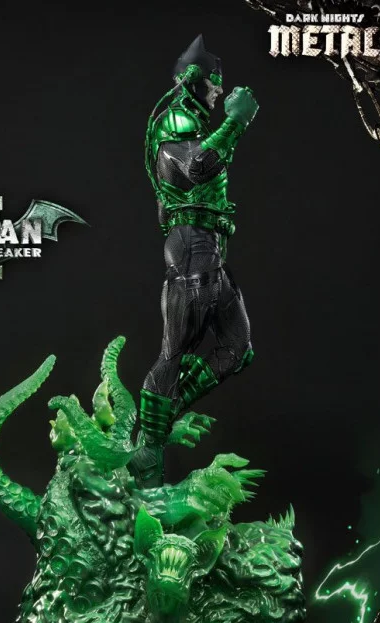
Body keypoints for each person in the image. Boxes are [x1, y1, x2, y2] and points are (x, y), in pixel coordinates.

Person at [130, 34, 259, 488]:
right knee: (175, 351)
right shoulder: (176, 119)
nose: (219, 89)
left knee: (237, 348)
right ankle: (147, 447)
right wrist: (237, 121)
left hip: (208, 250)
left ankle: (156, 423)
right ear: (193, 80)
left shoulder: (191, 122)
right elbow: (198, 168)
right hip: (192, 248)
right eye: (214, 82)